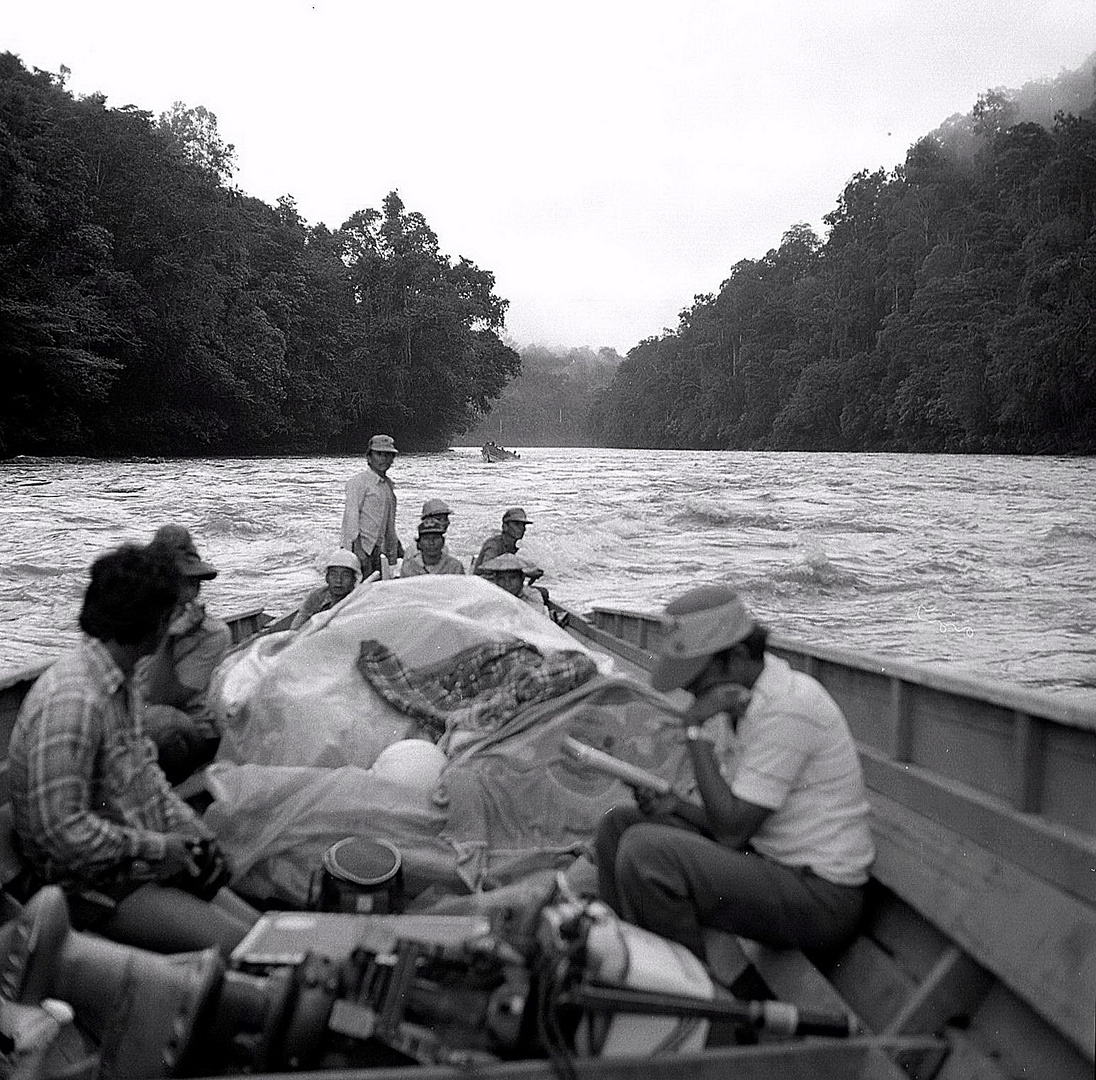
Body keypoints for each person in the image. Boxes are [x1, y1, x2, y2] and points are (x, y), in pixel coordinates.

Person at [594, 585, 874, 987]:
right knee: (618, 826)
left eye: (696, 678)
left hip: (821, 897)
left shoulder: (786, 708)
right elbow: (734, 820)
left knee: (646, 854)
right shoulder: (737, 698)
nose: (689, 690)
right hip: (766, 858)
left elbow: (731, 830)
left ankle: (694, 998)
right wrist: (674, 806)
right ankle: (626, 962)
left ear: (739, 657)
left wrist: (695, 730)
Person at [8, 543, 259, 957]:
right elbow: (62, 832)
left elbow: (147, 780)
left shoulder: (121, 685)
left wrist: (196, 836)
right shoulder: (75, 701)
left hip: (136, 860)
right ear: (154, 624)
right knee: (245, 948)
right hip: (89, 886)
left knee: (263, 931)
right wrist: (161, 848)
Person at [138, 525, 232, 785]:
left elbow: (162, 698)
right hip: (135, 720)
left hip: (190, 732)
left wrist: (169, 640)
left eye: (192, 583)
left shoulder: (213, 635)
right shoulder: (140, 621)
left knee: (159, 725)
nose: (189, 591)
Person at [342, 433, 401, 577]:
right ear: (369, 457)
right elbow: (351, 517)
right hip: (360, 548)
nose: (384, 459)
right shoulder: (359, 482)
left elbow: (389, 523)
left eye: (388, 455)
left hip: (379, 549)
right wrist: (359, 551)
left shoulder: (388, 485)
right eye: (379, 454)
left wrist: (397, 548)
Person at [290, 549, 364, 629]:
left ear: (354, 579)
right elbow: (296, 628)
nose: (339, 580)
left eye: (345, 575)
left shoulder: (361, 600)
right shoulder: (316, 597)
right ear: (327, 578)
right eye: (333, 574)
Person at [472, 507, 542, 581]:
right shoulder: (494, 544)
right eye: (517, 524)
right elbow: (487, 568)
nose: (522, 528)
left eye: (523, 525)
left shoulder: (516, 546)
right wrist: (524, 573)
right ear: (505, 526)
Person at [475, 553, 547, 612]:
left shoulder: (532, 595)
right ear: (496, 580)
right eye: (501, 578)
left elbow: (534, 617)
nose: (507, 583)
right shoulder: (491, 597)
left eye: (512, 578)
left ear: (522, 578)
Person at [400, 519, 466, 577]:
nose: (431, 543)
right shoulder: (409, 567)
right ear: (419, 543)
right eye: (426, 539)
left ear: (443, 541)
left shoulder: (454, 567)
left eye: (436, 538)